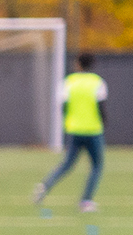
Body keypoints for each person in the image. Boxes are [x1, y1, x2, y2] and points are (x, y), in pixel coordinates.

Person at [34, 53, 108, 211]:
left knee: (67, 164)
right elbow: (101, 107)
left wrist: (69, 119)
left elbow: (63, 106)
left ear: (78, 64)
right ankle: (86, 201)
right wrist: (104, 122)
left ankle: (44, 186)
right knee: (96, 166)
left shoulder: (69, 82)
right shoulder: (97, 82)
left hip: (75, 129)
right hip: (93, 130)